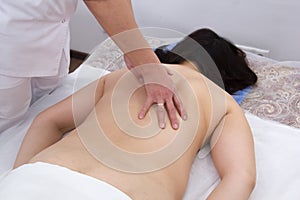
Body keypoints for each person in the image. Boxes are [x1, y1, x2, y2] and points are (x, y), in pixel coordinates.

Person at [0, 32, 256, 199]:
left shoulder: (119, 77)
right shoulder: (223, 103)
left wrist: (20, 176)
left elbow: (47, 121)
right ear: (228, 75)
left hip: (36, 179)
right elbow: (241, 177)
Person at [0, 0, 183, 133]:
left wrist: (133, 50)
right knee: (9, 122)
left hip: (49, 32)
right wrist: (147, 64)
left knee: (42, 108)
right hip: (10, 37)